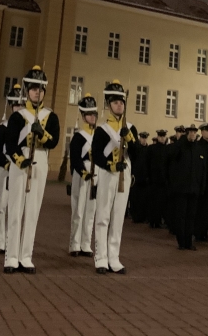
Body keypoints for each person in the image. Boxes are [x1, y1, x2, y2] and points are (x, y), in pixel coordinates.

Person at [4, 66, 60, 274]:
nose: (37, 92)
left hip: (41, 160)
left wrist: (42, 133)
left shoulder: (50, 116)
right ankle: (11, 256)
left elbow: (53, 142)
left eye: (41, 89)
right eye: (34, 89)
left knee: (33, 211)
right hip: (21, 162)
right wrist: (20, 161)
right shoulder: (18, 117)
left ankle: (26, 256)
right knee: (16, 209)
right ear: (27, 91)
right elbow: (11, 144)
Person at [92, 80, 141, 274]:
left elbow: (138, 156)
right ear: (109, 105)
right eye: (115, 102)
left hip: (125, 175)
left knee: (118, 216)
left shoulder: (131, 128)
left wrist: (130, 138)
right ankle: (101, 257)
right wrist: (111, 165)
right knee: (103, 215)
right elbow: (96, 155)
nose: (119, 105)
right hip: (107, 174)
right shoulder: (102, 130)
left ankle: (114, 257)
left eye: (121, 102)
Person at [0, 84, 23, 255]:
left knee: (16, 207)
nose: (18, 108)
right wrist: (7, 165)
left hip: (20, 169)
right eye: (16, 105)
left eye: (21, 105)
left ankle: (13, 241)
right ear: (11, 106)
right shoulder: (4, 127)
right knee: (1, 205)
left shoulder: (25, 128)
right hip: (5, 167)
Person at [167, 120, 206, 251]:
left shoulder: (199, 149)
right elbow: (172, 157)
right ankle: (181, 242)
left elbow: (203, 170)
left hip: (194, 188)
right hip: (181, 188)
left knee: (191, 217)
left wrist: (201, 186)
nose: (193, 134)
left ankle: (189, 242)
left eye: (195, 132)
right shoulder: (180, 147)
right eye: (190, 132)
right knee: (181, 216)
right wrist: (182, 140)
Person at [69, 94, 98, 257]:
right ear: (83, 116)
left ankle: (86, 243)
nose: (92, 117)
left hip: (95, 175)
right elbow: (74, 159)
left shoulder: (99, 135)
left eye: (94, 114)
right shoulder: (79, 137)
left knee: (91, 210)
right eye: (89, 114)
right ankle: (75, 243)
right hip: (82, 175)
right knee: (78, 209)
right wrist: (83, 172)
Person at [194, 122, 208, 242]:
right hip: (199, 183)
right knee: (199, 210)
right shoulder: (197, 146)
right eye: (207, 130)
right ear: (202, 132)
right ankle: (198, 232)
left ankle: (205, 232)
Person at [147, 130, 169, 229]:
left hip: (163, 180)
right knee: (153, 201)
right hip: (153, 179)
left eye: (163, 136)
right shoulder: (151, 148)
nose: (162, 138)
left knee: (161, 202)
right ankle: (153, 221)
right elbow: (147, 163)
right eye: (160, 136)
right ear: (158, 137)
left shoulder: (167, 149)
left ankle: (158, 220)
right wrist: (148, 176)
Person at [130, 131, 151, 223]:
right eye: (142, 138)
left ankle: (143, 216)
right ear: (140, 138)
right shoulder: (136, 149)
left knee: (144, 198)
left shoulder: (148, 150)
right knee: (135, 197)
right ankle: (135, 216)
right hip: (136, 176)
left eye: (145, 138)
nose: (144, 139)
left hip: (145, 177)